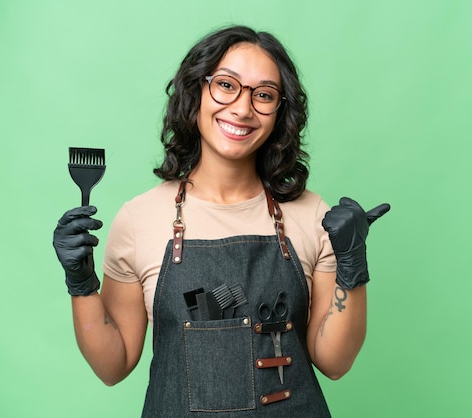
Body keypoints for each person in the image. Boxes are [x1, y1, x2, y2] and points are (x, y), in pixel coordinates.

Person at [53, 25, 390, 417]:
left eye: (263, 95)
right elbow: (113, 365)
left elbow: (335, 362)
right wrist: (80, 284)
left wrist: (353, 268)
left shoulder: (313, 215)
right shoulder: (139, 218)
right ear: (196, 90)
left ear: (280, 112)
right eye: (226, 85)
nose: (243, 109)